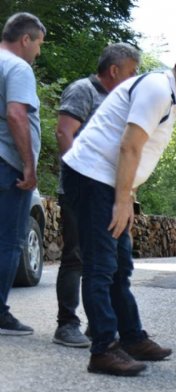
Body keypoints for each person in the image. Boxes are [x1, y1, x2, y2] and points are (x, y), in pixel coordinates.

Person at [61, 52, 176, 376]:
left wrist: (127, 195)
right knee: (101, 266)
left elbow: (139, 152)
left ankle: (131, 337)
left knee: (120, 265)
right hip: (92, 178)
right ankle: (103, 349)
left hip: (109, 182)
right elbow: (129, 145)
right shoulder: (158, 90)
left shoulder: (168, 97)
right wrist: (121, 200)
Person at [53, 43, 141, 348]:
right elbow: (65, 132)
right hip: (82, 191)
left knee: (110, 262)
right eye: (132, 71)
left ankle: (100, 324)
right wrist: (78, 179)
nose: (135, 78)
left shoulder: (121, 100)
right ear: (114, 70)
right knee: (76, 257)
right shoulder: (83, 91)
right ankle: (67, 324)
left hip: (108, 194)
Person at [0, 13, 45, 336]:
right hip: (6, 164)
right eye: (39, 43)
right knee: (9, 241)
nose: (39, 52)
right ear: (25, 39)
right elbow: (17, 114)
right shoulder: (17, 67)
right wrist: (28, 166)